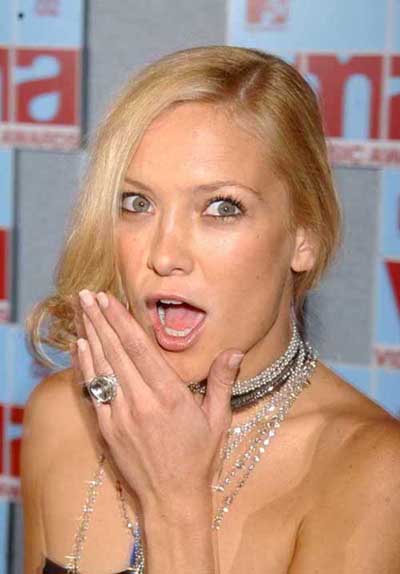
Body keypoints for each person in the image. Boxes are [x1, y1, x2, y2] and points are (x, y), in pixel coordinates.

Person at [21, 46, 400, 574]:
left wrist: (174, 502)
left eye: (222, 207)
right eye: (137, 203)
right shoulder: (62, 416)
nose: (164, 254)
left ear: (304, 236)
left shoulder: (373, 473)